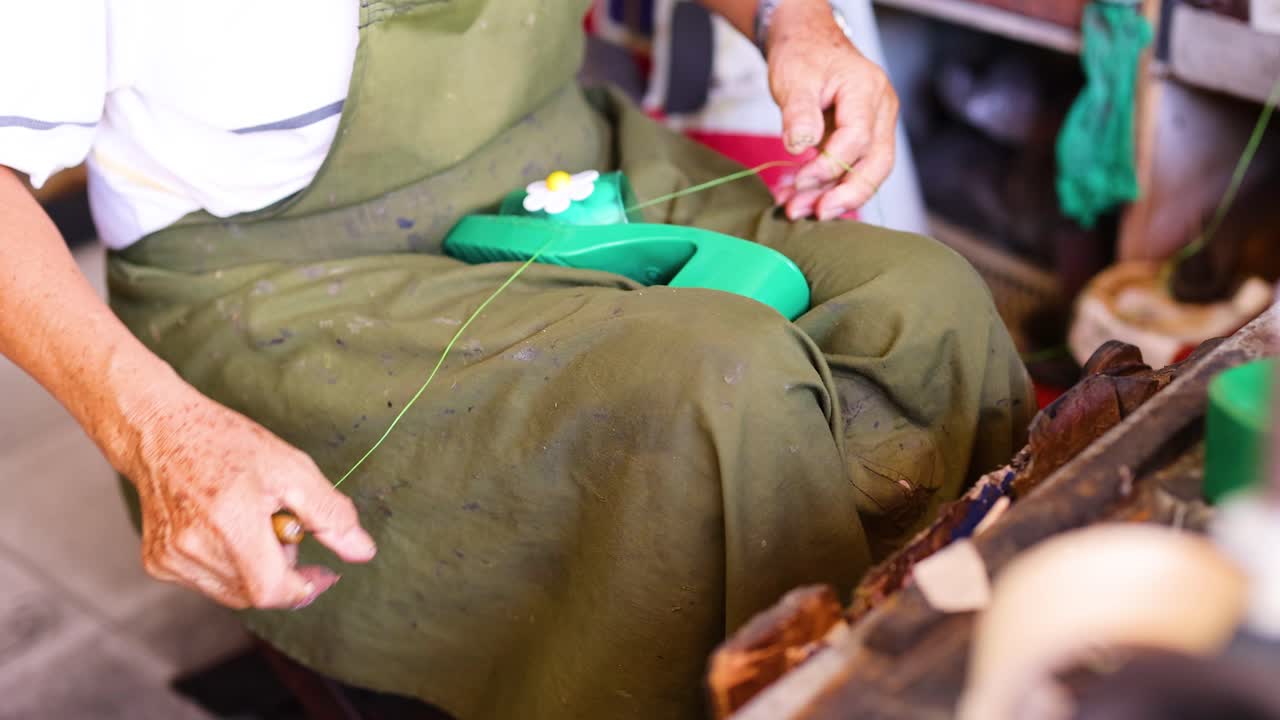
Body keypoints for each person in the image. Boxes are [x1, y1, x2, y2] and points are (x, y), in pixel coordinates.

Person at [0, 1, 1032, 718]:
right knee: (721, 387)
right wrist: (154, 430)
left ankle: (969, 669)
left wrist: (793, 21)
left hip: (554, 164)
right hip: (269, 269)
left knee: (922, 302)